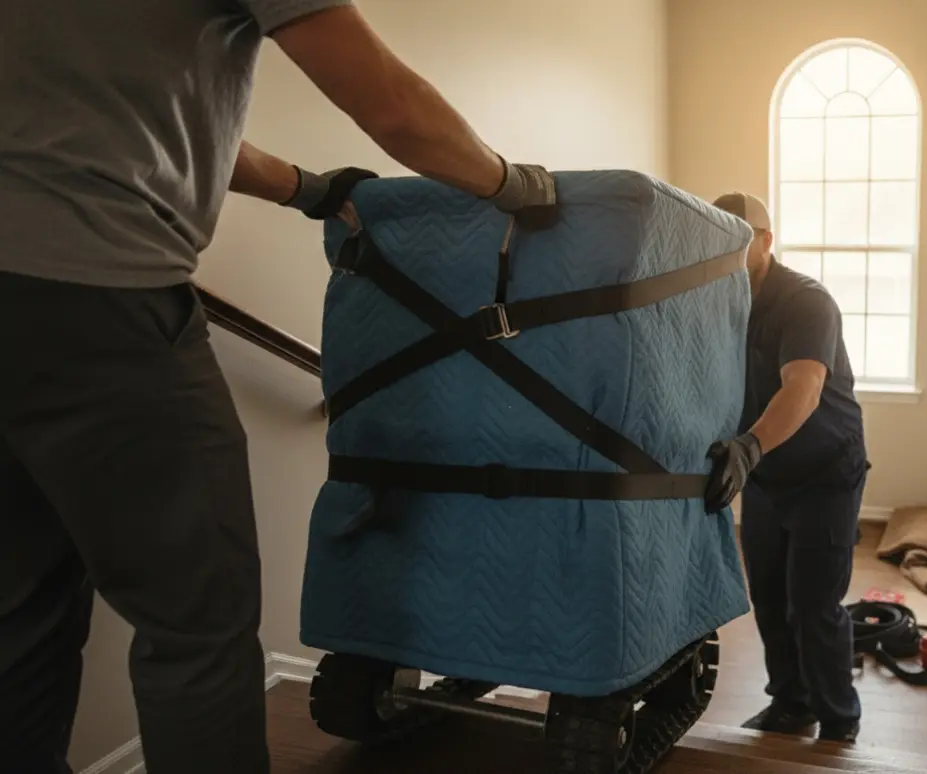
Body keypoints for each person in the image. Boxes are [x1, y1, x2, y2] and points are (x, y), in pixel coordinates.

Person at [0, 3, 557, 772]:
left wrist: (310, 190)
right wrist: (512, 183)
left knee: (21, 613)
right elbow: (395, 105)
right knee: (197, 624)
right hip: (99, 302)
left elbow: (145, 125)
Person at [704, 191, 870, 743]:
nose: (727, 245)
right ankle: (792, 704)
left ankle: (839, 717)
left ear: (767, 240)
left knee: (814, 606)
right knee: (771, 599)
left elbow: (804, 387)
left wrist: (749, 446)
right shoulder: (719, 302)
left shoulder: (806, 302)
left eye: (740, 233)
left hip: (825, 473)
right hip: (768, 474)